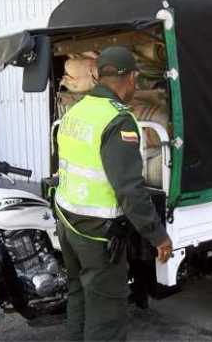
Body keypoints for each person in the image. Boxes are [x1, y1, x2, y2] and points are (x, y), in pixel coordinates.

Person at [54, 45, 173, 341]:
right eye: (135, 78)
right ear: (131, 77)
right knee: (106, 315)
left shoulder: (76, 110)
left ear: (97, 74)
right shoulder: (118, 119)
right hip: (97, 233)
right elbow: (130, 189)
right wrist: (158, 235)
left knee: (79, 296)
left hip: (68, 222)